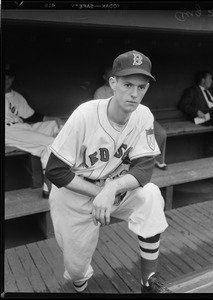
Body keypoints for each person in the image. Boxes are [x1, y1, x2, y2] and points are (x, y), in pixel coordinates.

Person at [45, 50, 172, 294]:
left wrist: (111, 188)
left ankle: (149, 281)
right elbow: (56, 171)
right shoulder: (85, 114)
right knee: (76, 270)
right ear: (112, 83)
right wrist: (99, 192)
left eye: (142, 87)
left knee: (151, 195)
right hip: (74, 192)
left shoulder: (143, 114)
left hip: (112, 187)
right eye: (127, 84)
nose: (135, 94)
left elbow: (144, 169)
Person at [5, 63, 64, 198]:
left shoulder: (16, 96)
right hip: (8, 131)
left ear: (13, 79)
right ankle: (51, 187)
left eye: (9, 77)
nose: (6, 80)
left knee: (55, 126)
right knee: (52, 143)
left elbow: (31, 116)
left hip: (20, 127)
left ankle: (50, 185)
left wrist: (55, 118)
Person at [94, 67, 168, 170]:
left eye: (141, 87)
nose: (134, 92)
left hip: (137, 115)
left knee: (161, 133)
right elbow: (102, 114)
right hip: (118, 121)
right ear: (107, 78)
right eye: (109, 75)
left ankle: (155, 159)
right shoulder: (101, 91)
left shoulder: (141, 106)